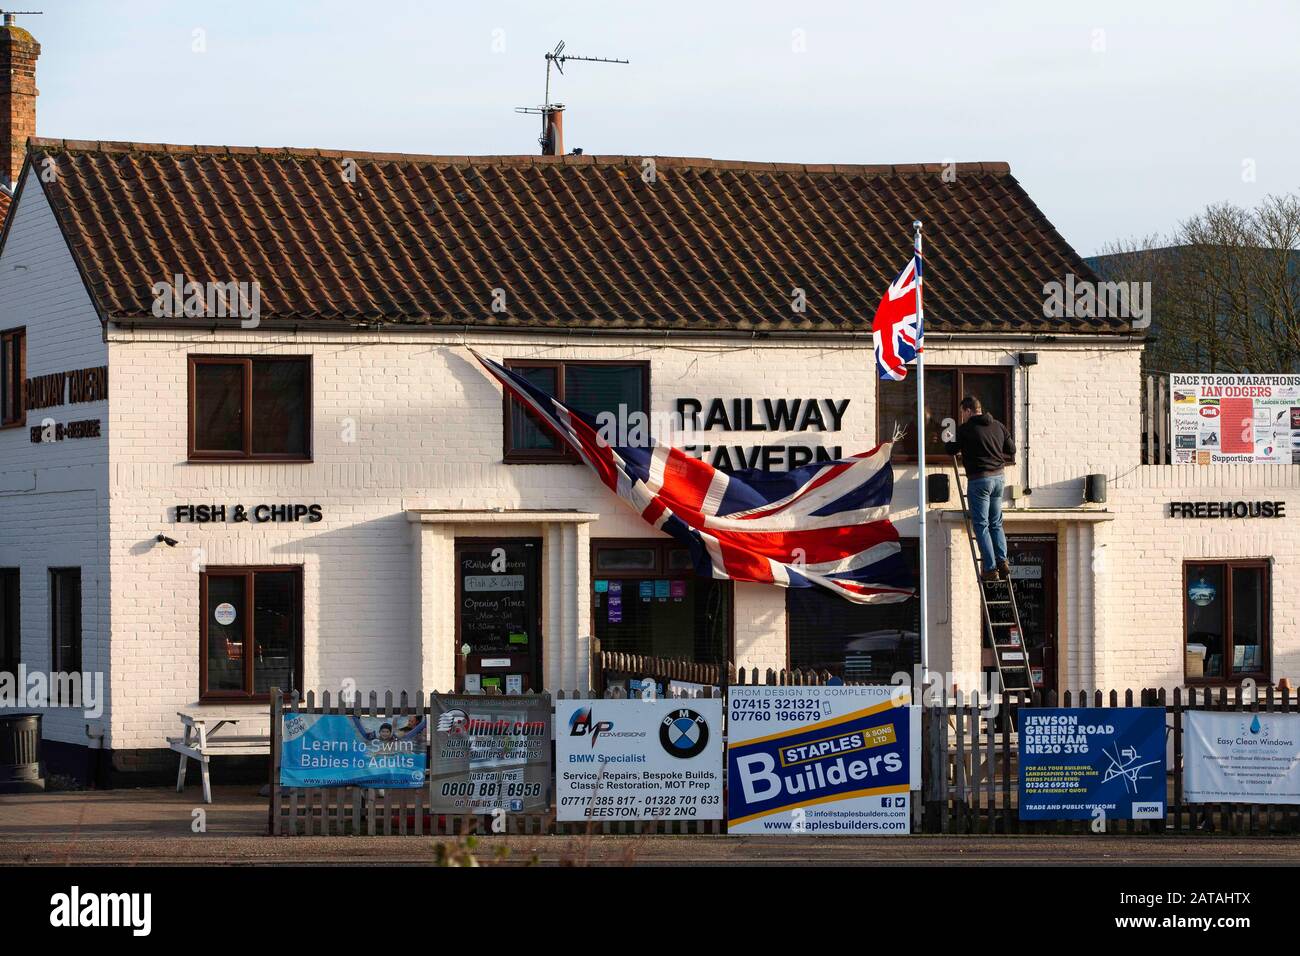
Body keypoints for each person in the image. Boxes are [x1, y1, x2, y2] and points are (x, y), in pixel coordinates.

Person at [944, 396, 1015, 581]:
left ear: (968, 410)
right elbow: (1012, 449)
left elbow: (950, 449)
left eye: (962, 413)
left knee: (981, 525)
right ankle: (1003, 562)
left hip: (980, 481)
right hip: (999, 478)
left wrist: (949, 436)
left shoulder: (966, 429)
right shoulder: (998, 426)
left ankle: (990, 568)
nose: (962, 417)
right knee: (996, 523)